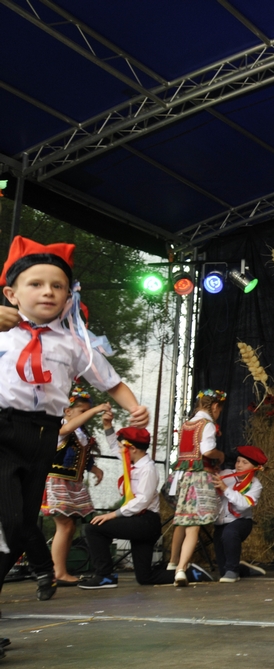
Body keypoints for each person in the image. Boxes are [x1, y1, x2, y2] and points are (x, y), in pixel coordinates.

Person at [0, 236, 148, 608]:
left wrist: (135, 407)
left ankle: (38, 570)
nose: (47, 291)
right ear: (11, 294)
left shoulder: (74, 343)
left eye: (58, 286)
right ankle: (43, 568)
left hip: (43, 436)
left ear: (69, 297)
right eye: (36, 283)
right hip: (2, 429)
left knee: (20, 527)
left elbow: (110, 381)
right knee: (10, 521)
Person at [78, 422, 177, 588]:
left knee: (93, 528)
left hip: (146, 521)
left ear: (133, 449)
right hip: (138, 520)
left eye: (121, 447)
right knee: (145, 577)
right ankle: (189, 573)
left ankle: (104, 576)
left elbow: (142, 501)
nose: (119, 450)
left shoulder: (148, 468)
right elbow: (113, 446)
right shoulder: (131, 462)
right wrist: (107, 425)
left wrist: (113, 514)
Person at [41, 387, 110, 586]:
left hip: (72, 482)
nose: (86, 416)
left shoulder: (80, 433)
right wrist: (95, 409)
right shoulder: (61, 427)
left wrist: (94, 468)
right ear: (67, 411)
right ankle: (58, 572)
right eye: (82, 411)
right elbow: (66, 431)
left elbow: (80, 456)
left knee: (70, 527)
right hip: (57, 481)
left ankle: (60, 570)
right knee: (64, 525)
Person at [170, 389, 226, 586]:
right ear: (215, 406)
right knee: (193, 526)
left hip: (183, 478)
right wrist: (220, 455)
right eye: (219, 410)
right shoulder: (207, 424)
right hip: (199, 479)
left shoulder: (186, 425)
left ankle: (172, 562)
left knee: (182, 521)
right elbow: (207, 450)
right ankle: (181, 569)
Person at [212, 446, 266, 583]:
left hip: (241, 521)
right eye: (238, 461)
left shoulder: (255, 485)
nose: (239, 465)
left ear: (255, 467)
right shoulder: (225, 474)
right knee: (223, 570)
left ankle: (233, 571)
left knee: (229, 533)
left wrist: (225, 489)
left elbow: (243, 505)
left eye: (244, 462)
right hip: (221, 523)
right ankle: (241, 568)